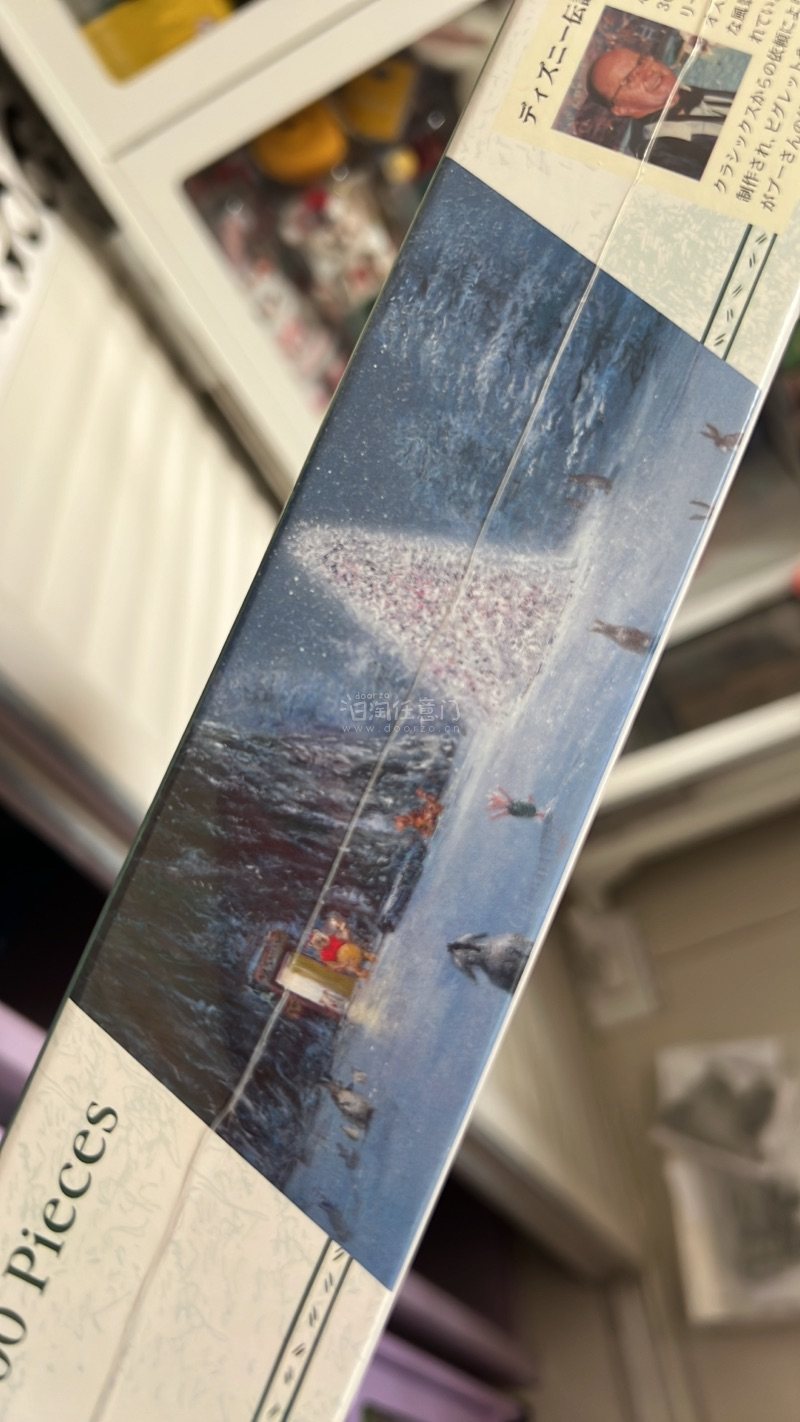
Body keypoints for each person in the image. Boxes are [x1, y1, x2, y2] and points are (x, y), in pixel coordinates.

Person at [588, 46, 735, 181]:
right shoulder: (663, 155)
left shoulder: (683, 94)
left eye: (640, 62)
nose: (646, 73)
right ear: (622, 109)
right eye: (628, 80)